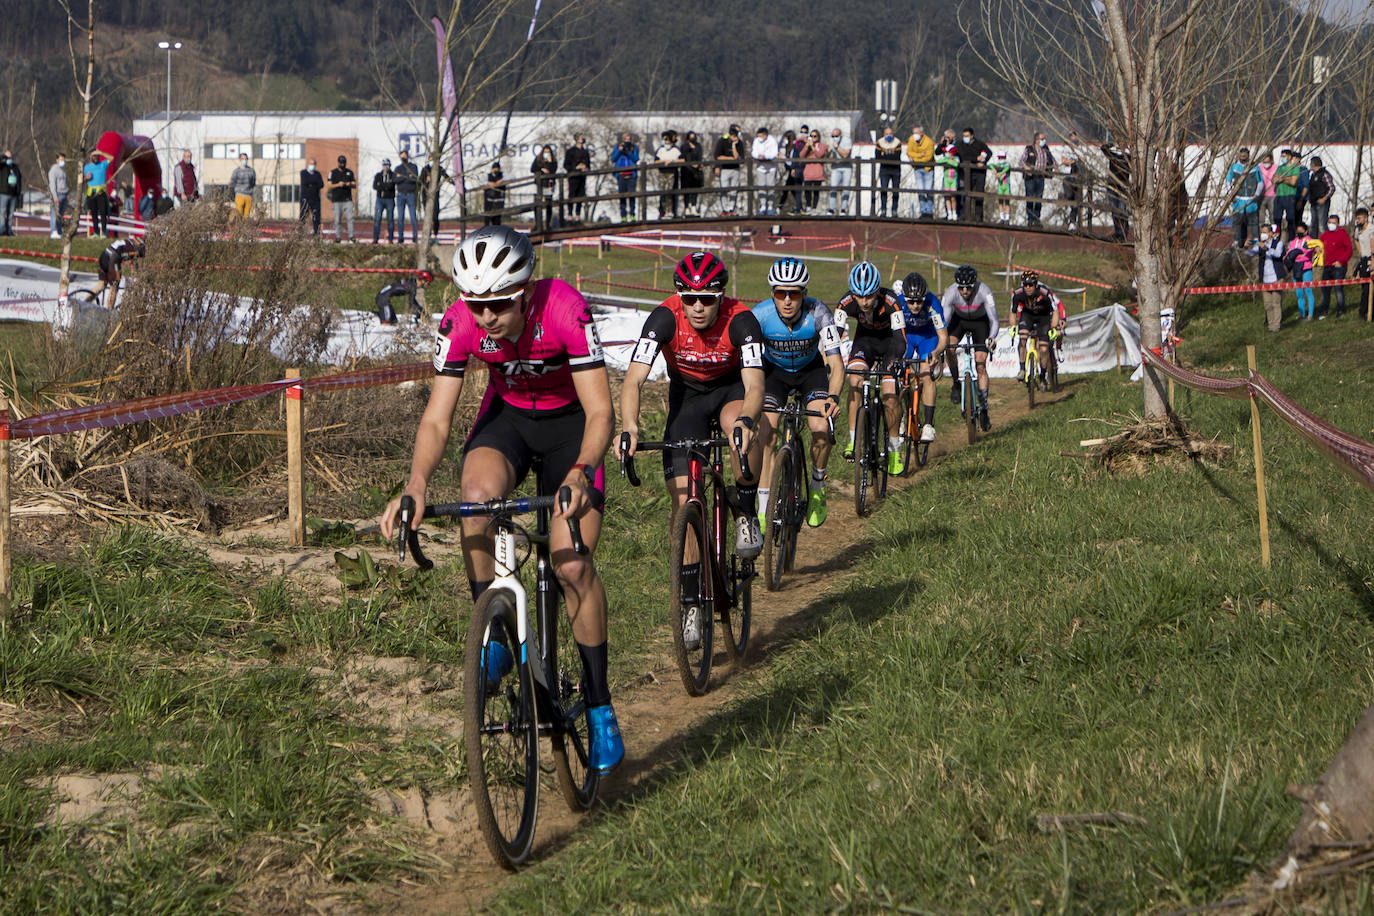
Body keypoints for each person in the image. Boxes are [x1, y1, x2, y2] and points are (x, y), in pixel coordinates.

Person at [378, 225, 624, 774]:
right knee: (474, 498)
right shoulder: (461, 321)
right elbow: (438, 419)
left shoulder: (565, 310)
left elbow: (601, 412)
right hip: (509, 420)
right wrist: (416, 483)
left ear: (526, 291)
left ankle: (601, 703)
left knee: (572, 565)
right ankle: (492, 628)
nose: (486, 317)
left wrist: (583, 471)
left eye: (498, 305)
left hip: (572, 429)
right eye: (476, 305)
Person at [618, 251, 767, 606]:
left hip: (731, 391)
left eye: (707, 299)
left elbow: (756, 386)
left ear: (721, 298)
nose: (698, 307)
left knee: (738, 429)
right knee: (683, 500)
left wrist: (748, 420)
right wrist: (630, 426)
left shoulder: (741, 320)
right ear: (680, 297)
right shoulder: (664, 318)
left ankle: (746, 511)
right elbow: (633, 380)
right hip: (687, 396)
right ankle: (687, 601)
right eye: (689, 298)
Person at [751, 257, 843, 528]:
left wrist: (833, 398)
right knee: (767, 432)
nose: (788, 300)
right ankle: (764, 507)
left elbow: (837, 364)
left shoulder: (819, 313)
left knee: (820, 430)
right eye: (781, 293)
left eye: (794, 293)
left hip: (810, 372)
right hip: (774, 373)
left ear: (804, 293)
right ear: (772, 294)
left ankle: (817, 486)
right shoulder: (760, 316)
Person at [836, 261, 907, 473]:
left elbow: (901, 339)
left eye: (869, 296)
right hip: (864, 342)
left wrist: (895, 362)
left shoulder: (892, 302)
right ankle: (853, 440)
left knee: (890, 394)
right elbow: (834, 334)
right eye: (860, 296)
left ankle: (894, 450)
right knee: (855, 380)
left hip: (890, 346)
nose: (865, 302)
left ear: (877, 292)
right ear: (853, 293)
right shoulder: (845, 302)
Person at [941, 265, 1000, 431]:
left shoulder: (984, 291)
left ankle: (984, 408)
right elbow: (944, 320)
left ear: (974, 285)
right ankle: (955, 383)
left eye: (968, 287)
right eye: (961, 287)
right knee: (949, 347)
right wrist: (941, 339)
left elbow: (994, 320)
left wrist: (991, 337)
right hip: (959, 321)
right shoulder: (950, 293)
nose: (965, 291)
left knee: (980, 364)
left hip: (980, 323)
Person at [895, 271, 948, 447]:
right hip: (907, 336)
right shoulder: (898, 303)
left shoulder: (933, 304)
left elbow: (943, 337)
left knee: (926, 373)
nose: (916, 305)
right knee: (899, 375)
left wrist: (937, 352)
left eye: (919, 301)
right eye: (911, 301)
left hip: (928, 337)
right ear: (904, 298)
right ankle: (901, 419)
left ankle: (928, 424)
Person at [1008, 270, 1066, 383]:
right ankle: (1022, 369)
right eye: (1025, 285)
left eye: (1031, 285)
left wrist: (1053, 328)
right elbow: (1013, 312)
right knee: (1023, 337)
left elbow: (1055, 311)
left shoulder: (1045, 293)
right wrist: (1013, 326)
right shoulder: (1017, 294)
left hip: (1043, 318)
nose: (1028, 287)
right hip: (1027, 316)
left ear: (1036, 284)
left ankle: (1043, 375)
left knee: (1044, 348)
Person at [1248, 224, 1287, 333]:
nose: (1263, 234)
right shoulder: (1260, 245)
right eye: (1262, 232)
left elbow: (1278, 254)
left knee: (1276, 302)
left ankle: (1276, 326)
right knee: (1267, 304)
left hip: (1276, 277)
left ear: (1271, 233)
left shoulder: (1278, 243)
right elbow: (1250, 253)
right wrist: (1246, 246)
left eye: (1265, 232)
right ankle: (1270, 325)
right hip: (1265, 279)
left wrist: (1267, 249)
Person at [94, 236, 145, 309]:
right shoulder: (143, 248)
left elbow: (131, 258)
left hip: (105, 254)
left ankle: (84, 302)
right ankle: (109, 312)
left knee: (101, 285)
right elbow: (134, 261)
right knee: (114, 288)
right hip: (113, 260)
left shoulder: (135, 240)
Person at [1317, 214, 1352, 319]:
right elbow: (1318, 244)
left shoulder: (1343, 234)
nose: (1331, 225)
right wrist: (1317, 248)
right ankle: (1324, 311)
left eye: (1333, 223)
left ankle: (1341, 310)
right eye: (1329, 222)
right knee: (1325, 290)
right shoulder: (1325, 234)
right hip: (1327, 266)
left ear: (1338, 224)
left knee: (1338, 289)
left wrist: (1341, 261)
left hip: (1339, 267)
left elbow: (1349, 249)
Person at [1226, 148, 1262, 247]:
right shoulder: (1234, 167)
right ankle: (1237, 241)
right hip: (1238, 199)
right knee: (1237, 222)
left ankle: (1255, 241)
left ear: (1248, 156)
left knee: (1253, 221)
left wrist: (1257, 194)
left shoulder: (1254, 167)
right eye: (1241, 155)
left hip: (1251, 199)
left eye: (1245, 155)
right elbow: (1228, 181)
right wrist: (1231, 194)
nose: (1243, 157)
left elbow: (1260, 181)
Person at [956, 127, 992, 222]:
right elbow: (964, 156)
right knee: (966, 193)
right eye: (964, 136)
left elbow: (989, 153)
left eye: (967, 136)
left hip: (980, 173)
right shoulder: (961, 145)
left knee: (979, 194)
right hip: (967, 173)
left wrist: (983, 161)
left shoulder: (980, 144)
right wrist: (976, 159)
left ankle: (978, 216)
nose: (965, 138)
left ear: (972, 136)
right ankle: (965, 214)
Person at [1020, 132, 1055, 227]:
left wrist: (1053, 170)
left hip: (1040, 176)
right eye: (1042, 139)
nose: (1044, 141)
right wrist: (1027, 169)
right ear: (1037, 140)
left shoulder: (1046, 149)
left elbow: (1053, 161)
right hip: (1030, 176)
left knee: (1039, 198)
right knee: (1030, 197)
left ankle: (1037, 218)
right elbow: (1021, 162)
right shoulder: (1029, 149)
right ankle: (1030, 219)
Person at [1286, 222, 1319, 321]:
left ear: (1306, 231)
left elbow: (1315, 248)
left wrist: (1316, 250)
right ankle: (1302, 314)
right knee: (1299, 293)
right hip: (1296, 268)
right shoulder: (1293, 241)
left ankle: (1310, 315)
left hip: (1306, 268)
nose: (1299, 232)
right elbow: (1289, 252)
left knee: (1308, 291)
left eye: (1301, 231)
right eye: (1298, 231)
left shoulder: (1309, 241)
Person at [1100, 141, 1130, 241]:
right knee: (1115, 210)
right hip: (1112, 185)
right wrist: (1112, 144)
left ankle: (1123, 232)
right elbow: (1103, 148)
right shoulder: (1113, 156)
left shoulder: (1128, 157)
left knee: (1122, 210)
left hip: (1122, 186)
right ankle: (1118, 232)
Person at [713, 124, 746, 216]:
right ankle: (725, 209)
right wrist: (729, 159)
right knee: (724, 189)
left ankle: (731, 209)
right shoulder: (722, 141)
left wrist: (734, 146)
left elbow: (739, 158)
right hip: (725, 169)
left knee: (733, 190)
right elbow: (718, 156)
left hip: (735, 169)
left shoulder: (740, 143)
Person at [906, 126, 935, 219]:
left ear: (922, 133)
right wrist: (919, 156)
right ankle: (923, 211)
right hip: (917, 168)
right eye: (913, 133)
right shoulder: (911, 139)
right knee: (920, 190)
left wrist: (914, 159)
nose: (915, 135)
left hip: (928, 169)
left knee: (928, 190)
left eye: (917, 133)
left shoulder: (929, 142)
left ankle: (929, 211)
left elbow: (928, 158)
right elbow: (909, 152)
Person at [611, 132, 640, 222]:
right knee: (622, 195)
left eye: (629, 139)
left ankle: (632, 215)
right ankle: (623, 216)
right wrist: (620, 150)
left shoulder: (634, 147)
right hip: (621, 175)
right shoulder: (617, 147)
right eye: (625, 139)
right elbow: (613, 159)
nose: (627, 141)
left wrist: (628, 152)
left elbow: (636, 159)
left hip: (631, 174)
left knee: (632, 195)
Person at [874, 127, 902, 218]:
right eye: (887, 134)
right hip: (884, 169)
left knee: (896, 190)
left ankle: (894, 210)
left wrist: (885, 155)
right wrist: (888, 155)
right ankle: (883, 210)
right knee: (883, 189)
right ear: (883, 134)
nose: (888, 135)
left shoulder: (897, 142)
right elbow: (877, 157)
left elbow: (896, 157)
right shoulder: (879, 142)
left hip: (895, 169)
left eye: (890, 134)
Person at [562, 134, 591, 224]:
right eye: (580, 137)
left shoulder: (585, 152)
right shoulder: (570, 151)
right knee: (571, 195)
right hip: (573, 177)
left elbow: (589, 165)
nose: (581, 138)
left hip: (582, 177)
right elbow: (566, 165)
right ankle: (570, 216)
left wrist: (585, 168)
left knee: (580, 195)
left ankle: (577, 216)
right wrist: (576, 167)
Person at [326, 155, 356, 241]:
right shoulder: (333, 172)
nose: (342, 164)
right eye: (341, 162)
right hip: (336, 200)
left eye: (343, 163)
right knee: (337, 220)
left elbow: (354, 184)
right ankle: (338, 237)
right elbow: (329, 185)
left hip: (347, 200)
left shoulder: (349, 172)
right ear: (338, 162)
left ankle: (351, 236)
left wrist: (348, 184)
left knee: (350, 218)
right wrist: (338, 184)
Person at [1273, 148, 1301, 240]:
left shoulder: (1295, 168)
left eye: (1284, 156)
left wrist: (1283, 179)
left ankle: (1291, 239)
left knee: (1290, 219)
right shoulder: (1280, 168)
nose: (1282, 158)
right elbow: (1274, 179)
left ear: (1290, 157)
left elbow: (1293, 182)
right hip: (1279, 196)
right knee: (1277, 219)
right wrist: (1285, 178)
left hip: (1289, 196)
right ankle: (1276, 239)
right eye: (1282, 156)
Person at [653, 131, 682, 219]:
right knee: (663, 193)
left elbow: (682, 160)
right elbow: (656, 161)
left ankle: (670, 211)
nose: (665, 141)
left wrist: (672, 161)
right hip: (662, 173)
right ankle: (664, 211)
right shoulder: (660, 150)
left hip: (671, 173)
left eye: (667, 139)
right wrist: (662, 161)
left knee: (669, 192)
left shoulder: (675, 150)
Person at [751, 126, 779, 216]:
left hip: (771, 167)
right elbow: (753, 152)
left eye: (760, 136)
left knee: (771, 187)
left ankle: (770, 206)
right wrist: (758, 156)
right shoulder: (756, 141)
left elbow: (774, 153)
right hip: (760, 168)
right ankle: (763, 206)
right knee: (761, 187)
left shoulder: (772, 141)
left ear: (765, 135)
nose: (759, 138)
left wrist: (765, 156)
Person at [1351, 207, 1373, 320]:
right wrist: (1360, 251)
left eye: (1359, 218)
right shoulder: (1358, 230)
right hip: (1364, 261)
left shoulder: (1371, 229)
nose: (1358, 220)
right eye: (1357, 218)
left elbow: (1373, 246)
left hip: (1372, 260)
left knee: (1371, 288)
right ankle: (1363, 312)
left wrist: (1372, 262)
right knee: (1365, 288)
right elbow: (1355, 239)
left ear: (1366, 218)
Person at [393, 149, 420, 242]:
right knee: (400, 218)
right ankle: (401, 238)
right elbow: (395, 180)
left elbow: (415, 179)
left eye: (404, 156)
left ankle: (415, 237)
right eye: (401, 156)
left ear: (408, 156)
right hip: (400, 195)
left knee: (413, 217)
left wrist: (402, 176)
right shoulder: (397, 168)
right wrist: (407, 176)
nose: (403, 158)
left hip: (411, 195)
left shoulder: (413, 167)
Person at [419, 160, 452, 235]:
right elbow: (420, 180)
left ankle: (436, 233)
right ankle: (428, 234)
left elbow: (447, 178)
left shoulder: (439, 169)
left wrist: (455, 183)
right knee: (427, 215)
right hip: (426, 195)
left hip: (435, 195)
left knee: (435, 215)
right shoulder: (425, 169)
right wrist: (426, 180)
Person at [83, 150, 111, 238]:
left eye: (97, 156)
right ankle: (96, 232)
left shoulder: (103, 164)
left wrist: (101, 152)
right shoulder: (87, 167)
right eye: (94, 156)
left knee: (103, 213)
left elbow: (111, 158)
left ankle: (104, 232)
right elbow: (82, 180)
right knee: (93, 213)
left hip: (101, 192)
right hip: (91, 193)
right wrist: (86, 178)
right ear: (90, 157)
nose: (96, 158)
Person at [531, 144, 558, 230]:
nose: (546, 154)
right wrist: (541, 168)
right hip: (539, 185)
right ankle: (538, 224)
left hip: (548, 185)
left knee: (548, 204)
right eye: (545, 152)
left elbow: (553, 170)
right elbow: (532, 168)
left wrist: (549, 163)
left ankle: (547, 224)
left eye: (548, 152)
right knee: (537, 204)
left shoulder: (553, 161)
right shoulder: (538, 159)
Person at [827, 126, 853, 216]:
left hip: (846, 167)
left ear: (841, 135)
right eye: (833, 136)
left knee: (846, 188)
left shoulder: (847, 140)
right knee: (833, 188)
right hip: (836, 167)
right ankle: (831, 209)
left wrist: (837, 147)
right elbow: (826, 155)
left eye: (836, 136)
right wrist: (828, 150)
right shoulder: (830, 140)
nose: (834, 138)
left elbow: (845, 155)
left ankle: (843, 209)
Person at [800, 129, 828, 214]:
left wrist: (813, 147)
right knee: (807, 190)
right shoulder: (807, 145)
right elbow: (801, 156)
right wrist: (806, 147)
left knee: (816, 191)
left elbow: (820, 155)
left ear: (818, 137)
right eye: (811, 136)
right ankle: (808, 206)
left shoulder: (821, 145)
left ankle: (814, 208)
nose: (813, 138)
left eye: (814, 136)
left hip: (817, 171)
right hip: (808, 171)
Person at [679, 130, 705, 218]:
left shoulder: (698, 146)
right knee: (687, 189)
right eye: (691, 136)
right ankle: (687, 207)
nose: (693, 138)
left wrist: (699, 165)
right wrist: (690, 164)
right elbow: (683, 158)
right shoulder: (684, 146)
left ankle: (694, 207)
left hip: (696, 171)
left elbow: (700, 157)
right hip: (687, 170)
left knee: (695, 189)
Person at [935, 131, 959, 221]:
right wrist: (941, 144)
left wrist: (948, 160)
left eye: (948, 137)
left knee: (954, 196)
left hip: (954, 178)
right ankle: (948, 213)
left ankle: (955, 213)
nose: (946, 139)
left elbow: (956, 163)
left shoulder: (956, 147)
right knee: (947, 196)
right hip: (946, 178)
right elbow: (937, 154)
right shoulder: (944, 146)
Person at [1307, 156, 1335, 234]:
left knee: (1322, 225)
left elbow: (1332, 188)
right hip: (1314, 202)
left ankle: (1326, 243)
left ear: (1313, 165)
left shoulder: (1324, 174)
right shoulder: (1313, 175)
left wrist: (1324, 198)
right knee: (1313, 225)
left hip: (1322, 203)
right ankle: (1313, 243)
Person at [372, 158, 397, 244]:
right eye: (384, 165)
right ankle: (375, 238)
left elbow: (391, 186)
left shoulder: (393, 175)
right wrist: (385, 186)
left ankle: (390, 239)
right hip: (380, 199)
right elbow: (375, 186)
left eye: (388, 165)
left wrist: (382, 185)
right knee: (377, 219)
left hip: (389, 199)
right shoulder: (378, 175)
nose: (386, 167)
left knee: (390, 219)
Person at [299, 158, 324, 236]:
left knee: (316, 218)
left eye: (313, 164)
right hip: (305, 199)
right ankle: (300, 235)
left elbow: (321, 184)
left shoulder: (318, 174)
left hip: (315, 199)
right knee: (303, 217)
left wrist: (312, 184)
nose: (311, 165)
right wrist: (314, 183)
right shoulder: (303, 173)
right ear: (307, 164)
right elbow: (305, 182)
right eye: (310, 164)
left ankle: (316, 235)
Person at [47, 152, 68, 238]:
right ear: (57, 160)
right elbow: (52, 184)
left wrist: (68, 193)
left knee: (61, 215)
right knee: (54, 214)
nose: (62, 161)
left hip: (64, 194)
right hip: (57, 195)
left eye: (63, 159)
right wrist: (55, 196)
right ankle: (53, 231)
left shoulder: (63, 170)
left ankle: (59, 231)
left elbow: (65, 183)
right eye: (61, 159)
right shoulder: (53, 170)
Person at [0, 150, 21, 235]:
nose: (9, 159)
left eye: (10, 157)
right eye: (7, 157)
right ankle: (1, 230)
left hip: (13, 194)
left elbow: (19, 180)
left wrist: (18, 193)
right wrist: (2, 157)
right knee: (2, 213)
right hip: (3, 194)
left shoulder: (15, 167)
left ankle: (8, 230)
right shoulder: (2, 167)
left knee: (11, 214)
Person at [230, 152, 256, 220]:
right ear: (240, 160)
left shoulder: (251, 171)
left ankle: (244, 229)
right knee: (239, 215)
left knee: (246, 216)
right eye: (242, 159)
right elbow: (232, 183)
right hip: (239, 195)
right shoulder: (236, 171)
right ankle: (239, 229)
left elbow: (253, 182)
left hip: (248, 196)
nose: (244, 160)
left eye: (245, 159)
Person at [992, 152, 1012, 224]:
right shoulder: (998, 165)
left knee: (1007, 201)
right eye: (999, 157)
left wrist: (1000, 173)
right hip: (1000, 186)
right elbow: (990, 165)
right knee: (1000, 201)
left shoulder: (1007, 164)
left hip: (1006, 185)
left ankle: (1007, 218)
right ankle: (1001, 217)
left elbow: (1007, 168)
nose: (1001, 159)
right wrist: (994, 170)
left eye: (1002, 157)